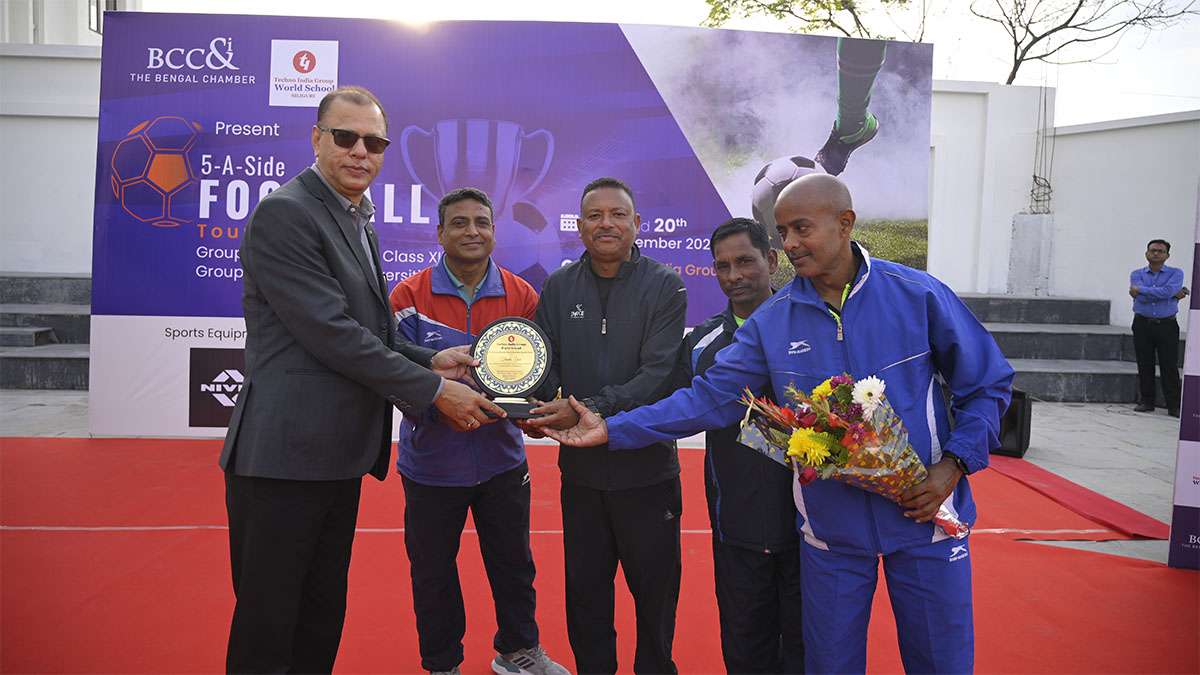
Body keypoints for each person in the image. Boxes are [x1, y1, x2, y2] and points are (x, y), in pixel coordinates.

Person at [537, 173, 1015, 674]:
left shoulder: (916, 294)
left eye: (802, 229)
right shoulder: (773, 321)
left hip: (926, 517)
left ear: (845, 223)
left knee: (942, 663)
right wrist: (614, 429)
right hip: (831, 532)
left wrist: (954, 465)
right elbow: (708, 398)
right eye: (784, 232)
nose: (790, 244)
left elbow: (988, 384)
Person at [219, 86, 504, 673]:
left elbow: (367, 329)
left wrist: (430, 361)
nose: (360, 152)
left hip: (336, 457)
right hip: (283, 459)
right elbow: (330, 333)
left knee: (320, 616)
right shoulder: (287, 213)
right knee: (269, 625)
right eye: (346, 137)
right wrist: (434, 391)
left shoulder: (355, 216)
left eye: (374, 143)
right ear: (316, 138)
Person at [388, 187, 568, 675]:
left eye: (482, 222)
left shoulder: (522, 294)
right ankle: (442, 663)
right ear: (439, 232)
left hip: (502, 462)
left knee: (514, 566)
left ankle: (518, 651)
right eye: (460, 223)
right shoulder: (407, 297)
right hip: (430, 465)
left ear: (493, 230)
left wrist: (529, 411)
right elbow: (391, 374)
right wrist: (438, 410)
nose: (472, 231)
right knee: (432, 574)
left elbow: (535, 375)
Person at [521, 177, 687, 674]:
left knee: (655, 600)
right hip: (582, 476)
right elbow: (545, 362)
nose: (606, 224)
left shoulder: (666, 284)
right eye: (595, 215)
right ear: (579, 226)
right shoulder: (559, 285)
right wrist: (536, 405)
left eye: (618, 214)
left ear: (637, 223)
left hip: (648, 474)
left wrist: (587, 408)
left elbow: (657, 376)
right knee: (586, 598)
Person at [678, 217, 804, 673]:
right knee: (746, 650)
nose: (733, 276)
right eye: (722, 266)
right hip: (738, 529)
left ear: (771, 260)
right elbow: (669, 405)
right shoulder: (701, 343)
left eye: (745, 262)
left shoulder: (811, 326)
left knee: (808, 650)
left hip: (811, 530)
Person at [1130, 238, 1188, 417]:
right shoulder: (1137, 274)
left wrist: (1142, 290)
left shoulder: (1176, 273)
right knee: (1144, 363)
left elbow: (1166, 291)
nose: (1156, 253)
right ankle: (1147, 401)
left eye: (1160, 251)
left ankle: (1174, 406)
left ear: (1167, 255)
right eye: (1152, 250)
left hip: (1167, 325)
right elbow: (1162, 294)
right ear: (1146, 254)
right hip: (1142, 324)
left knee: (1169, 365)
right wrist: (1169, 294)